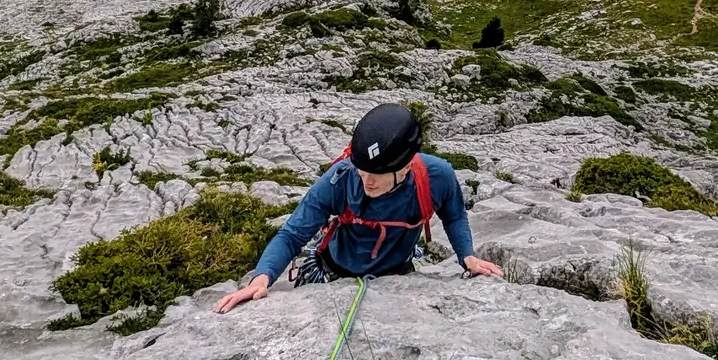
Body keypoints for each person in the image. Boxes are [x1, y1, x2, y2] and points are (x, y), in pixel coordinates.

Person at [215, 103, 503, 313]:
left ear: (405, 167)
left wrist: (467, 256)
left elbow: (453, 215)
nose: (366, 182)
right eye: (362, 172)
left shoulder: (437, 177)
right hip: (331, 272)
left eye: (375, 175)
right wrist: (262, 277)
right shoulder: (341, 177)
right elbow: (293, 234)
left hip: (395, 275)